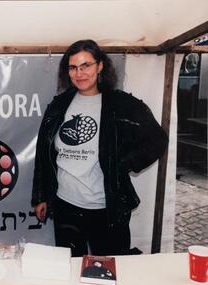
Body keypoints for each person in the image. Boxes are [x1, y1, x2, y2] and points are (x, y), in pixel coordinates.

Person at [31, 39, 168, 256]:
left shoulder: (122, 104)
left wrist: (123, 163)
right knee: (70, 270)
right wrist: (41, 196)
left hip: (107, 208)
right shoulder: (58, 105)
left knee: (109, 273)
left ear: (100, 65)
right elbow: (43, 153)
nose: (79, 73)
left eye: (86, 65)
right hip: (66, 205)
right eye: (73, 67)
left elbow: (158, 139)